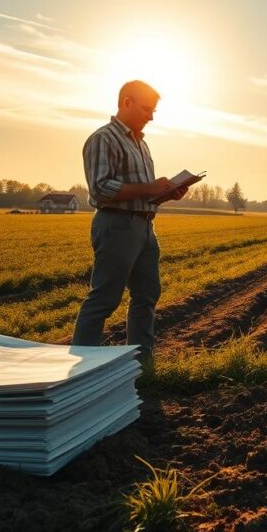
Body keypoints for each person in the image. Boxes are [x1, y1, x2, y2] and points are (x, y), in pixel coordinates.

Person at [73, 80, 188, 363]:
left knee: (147, 296)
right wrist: (150, 188)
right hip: (117, 225)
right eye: (147, 109)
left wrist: (165, 194)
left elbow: (141, 192)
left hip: (145, 226)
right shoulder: (104, 138)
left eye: (154, 111)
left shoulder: (141, 143)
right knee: (105, 299)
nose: (151, 116)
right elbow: (100, 188)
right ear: (126, 102)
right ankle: (81, 369)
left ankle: (141, 367)